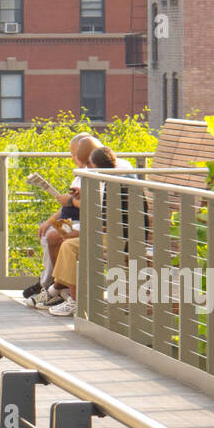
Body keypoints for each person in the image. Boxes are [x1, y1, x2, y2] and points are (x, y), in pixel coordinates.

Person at [41, 144, 137, 318]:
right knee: (63, 238)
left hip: (119, 238)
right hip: (111, 233)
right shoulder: (111, 180)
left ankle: (70, 298)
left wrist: (79, 231)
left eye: (90, 166)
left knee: (69, 246)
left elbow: (109, 225)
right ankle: (58, 290)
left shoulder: (115, 185)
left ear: (95, 166)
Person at [23, 133, 98, 304]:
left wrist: (71, 200)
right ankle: (50, 283)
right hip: (71, 218)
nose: (73, 159)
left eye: (75, 155)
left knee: (55, 235)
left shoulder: (95, 170)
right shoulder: (81, 173)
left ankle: (55, 287)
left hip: (83, 221)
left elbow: (89, 205)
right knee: (49, 231)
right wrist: (49, 220)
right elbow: (69, 203)